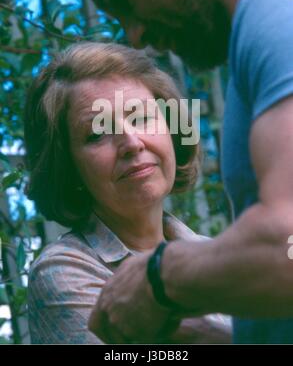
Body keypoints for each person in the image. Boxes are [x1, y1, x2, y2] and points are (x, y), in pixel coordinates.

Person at [34, 0, 293, 344]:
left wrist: (159, 279)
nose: (137, 36)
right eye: (97, 132)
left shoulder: (277, 9)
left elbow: (285, 247)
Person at [25, 42, 231, 344]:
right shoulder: (62, 273)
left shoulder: (213, 253)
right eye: (97, 133)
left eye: (141, 118)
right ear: (68, 167)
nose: (132, 142)